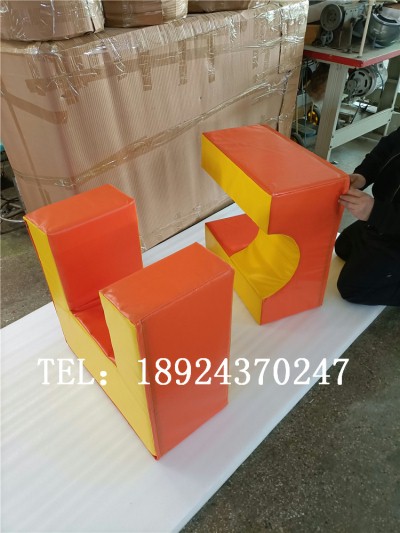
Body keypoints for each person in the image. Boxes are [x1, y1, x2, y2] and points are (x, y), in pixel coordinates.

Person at [336, 127, 400, 306]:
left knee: (353, 289)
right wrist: (363, 175)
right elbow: (387, 147)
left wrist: (376, 212)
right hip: (388, 213)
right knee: (343, 247)